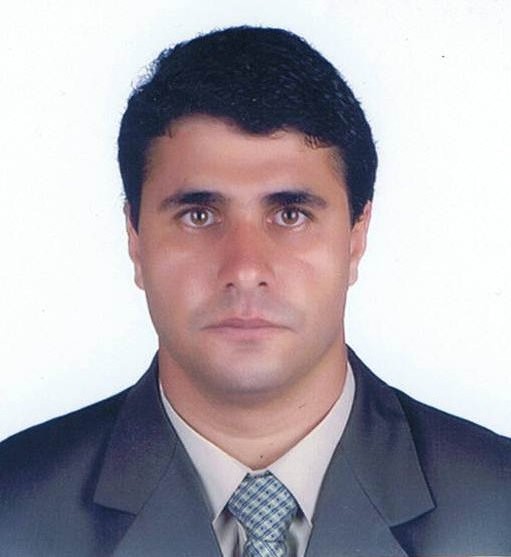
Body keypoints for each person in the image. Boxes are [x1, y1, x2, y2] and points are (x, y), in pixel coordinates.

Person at [0, 25, 509, 557]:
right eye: (198, 215)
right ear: (135, 238)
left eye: (290, 215)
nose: (245, 269)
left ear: (356, 237)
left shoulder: (498, 508)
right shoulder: (13, 515)